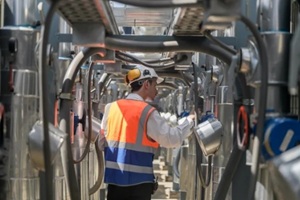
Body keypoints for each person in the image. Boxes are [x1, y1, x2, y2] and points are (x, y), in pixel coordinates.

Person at [100, 65, 195, 200]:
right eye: (155, 85)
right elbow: (171, 139)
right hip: (139, 185)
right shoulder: (146, 112)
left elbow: (101, 142)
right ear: (146, 84)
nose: (157, 90)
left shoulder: (111, 108)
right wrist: (189, 121)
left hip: (114, 182)